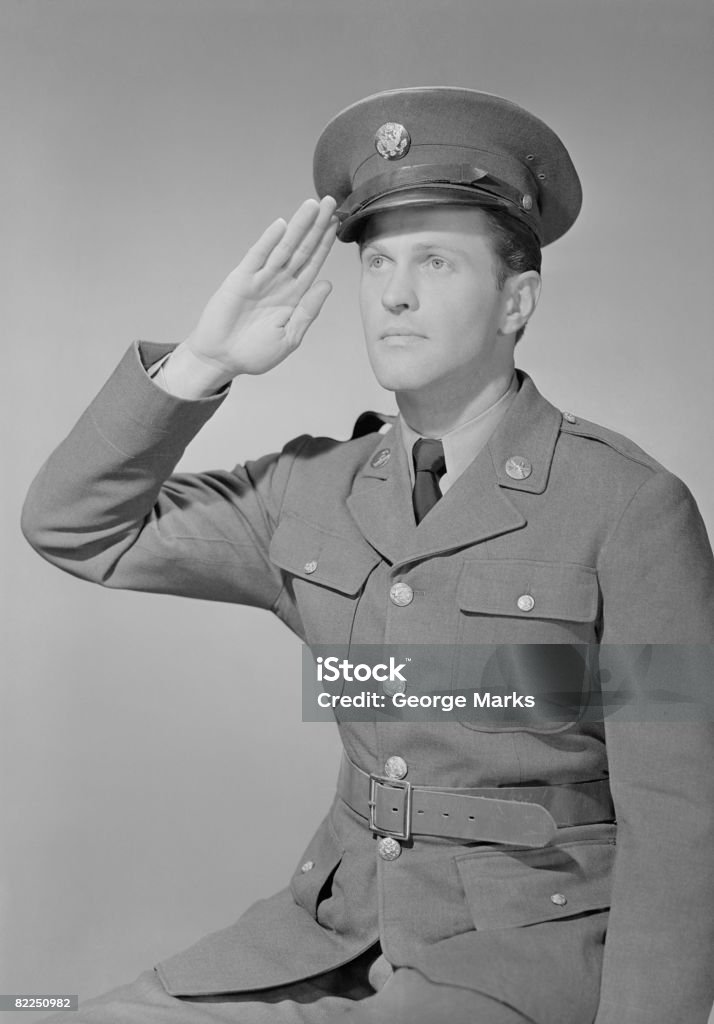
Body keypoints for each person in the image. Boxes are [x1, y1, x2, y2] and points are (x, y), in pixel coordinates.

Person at [22, 87, 714, 1024]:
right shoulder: (313, 489)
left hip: (520, 962)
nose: (394, 293)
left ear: (518, 299)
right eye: (378, 260)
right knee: (49, 1016)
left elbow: (680, 822)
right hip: (330, 934)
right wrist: (202, 361)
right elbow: (75, 527)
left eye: (436, 261)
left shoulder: (629, 508)